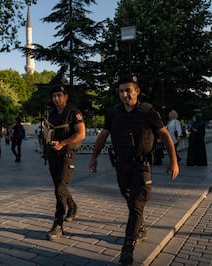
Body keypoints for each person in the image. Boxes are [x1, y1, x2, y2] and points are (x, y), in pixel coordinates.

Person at [88, 74, 179, 265]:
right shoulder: (114, 112)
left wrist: (173, 161)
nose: (124, 94)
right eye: (121, 91)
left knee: (137, 203)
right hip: (121, 165)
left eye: (128, 90)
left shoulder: (148, 112)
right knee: (130, 199)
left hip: (142, 165)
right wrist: (94, 157)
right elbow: (103, 135)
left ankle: (127, 247)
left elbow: (164, 134)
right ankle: (141, 226)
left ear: (137, 91)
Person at [44, 85, 86, 241]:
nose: (56, 98)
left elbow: (81, 133)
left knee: (60, 189)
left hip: (67, 154)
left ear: (66, 96)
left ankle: (58, 224)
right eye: (54, 95)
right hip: (52, 154)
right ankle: (73, 207)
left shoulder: (73, 113)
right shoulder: (52, 113)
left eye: (59, 95)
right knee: (59, 187)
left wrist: (62, 143)